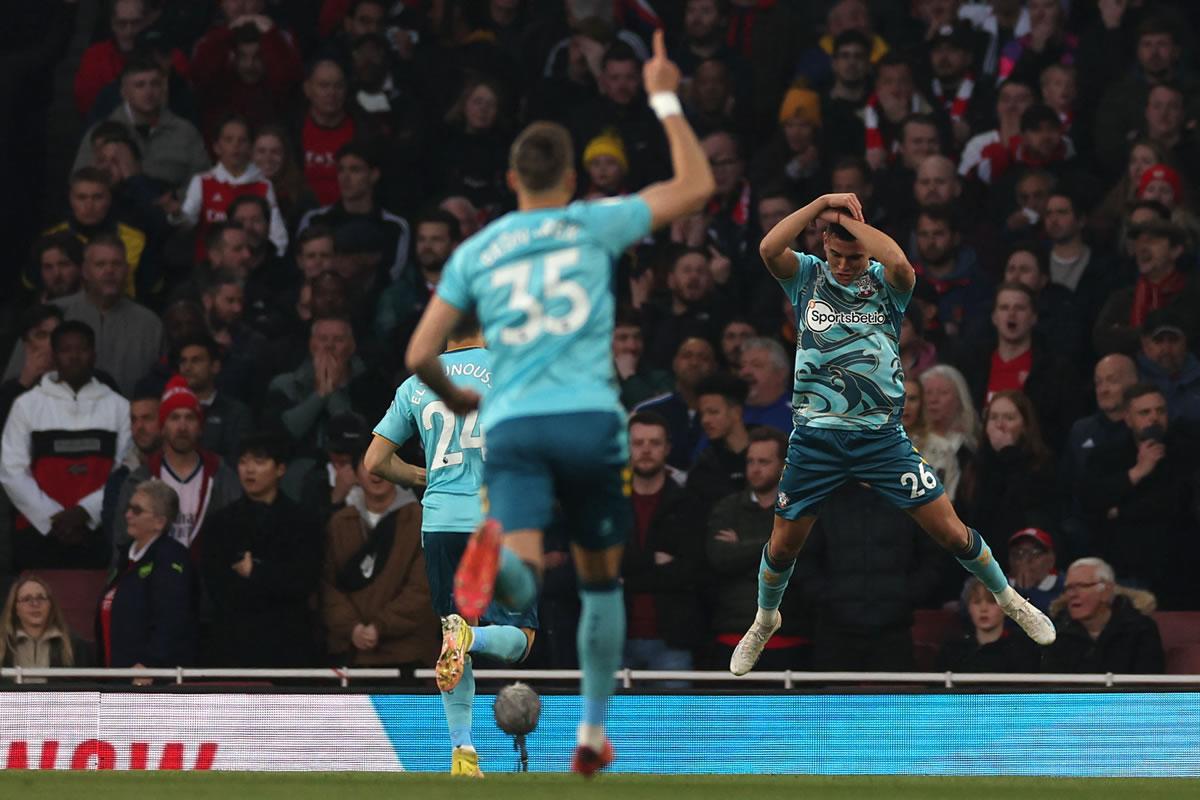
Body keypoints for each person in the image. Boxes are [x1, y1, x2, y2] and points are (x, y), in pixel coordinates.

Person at [403, 32, 715, 774]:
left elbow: (419, 355)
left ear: (511, 177)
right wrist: (664, 91)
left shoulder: (476, 251)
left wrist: (456, 398)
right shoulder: (593, 221)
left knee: (520, 575)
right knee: (601, 578)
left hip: (511, 426)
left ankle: (497, 564)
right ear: (572, 176)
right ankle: (591, 733)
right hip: (588, 422)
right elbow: (696, 186)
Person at [728, 190, 1056, 680]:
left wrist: (854, 224)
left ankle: (1011, 600)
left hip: (881, 438)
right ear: (823, 246)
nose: (843, 265)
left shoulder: (886, 284)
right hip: (817, 439)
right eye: (836, 255)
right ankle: (765, 618)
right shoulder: (807, 276)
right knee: (782, 548)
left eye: (853, 256)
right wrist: (821, 205)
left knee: (950, 531)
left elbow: (901, 261)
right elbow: (768, 248)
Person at [366, 318, 534, 777]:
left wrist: (424, 478)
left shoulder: (417, 382)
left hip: (439, 522)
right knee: (521, 639)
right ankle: (472, 638)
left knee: (450, 636)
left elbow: (376, 461)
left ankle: (462, 754)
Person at [1, 322, 130, 570]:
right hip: (38, 533)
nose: (74, 356)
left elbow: (125, 468)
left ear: (94, 354)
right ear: (54, 355)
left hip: (99, 532)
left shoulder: (118, 406)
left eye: (81, 349)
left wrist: (86, 512)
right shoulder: (26, 405)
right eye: (65, 349)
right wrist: (52, 518)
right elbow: (11, 469)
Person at [201, 433, 322, 667]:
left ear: (280, 469)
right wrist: (271, 578)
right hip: (234, 645)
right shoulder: (221, 523)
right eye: (244, 462)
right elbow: (216, 583)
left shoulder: (303, 521)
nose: (249, 470)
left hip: (288, 646)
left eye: (259, 461)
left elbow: (303, 581)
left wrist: (255, 573)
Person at [321, 454, 440, 671]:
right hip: (351, 653)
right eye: (367, 464)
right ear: (355, 473)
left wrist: (379, 627)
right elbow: (327, 586)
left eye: (385, 463)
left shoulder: (422, 521)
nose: (376, 472)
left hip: (408, 655)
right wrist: (352, 628)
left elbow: (423, 589)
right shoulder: (339, 523)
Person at [706, 428, 809, 669]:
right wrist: (775, 544)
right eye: (750, 461)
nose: (754, 468)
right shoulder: (728, 508)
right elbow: (719, 558)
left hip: (790, 636)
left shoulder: (799, 511)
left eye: (763, 461)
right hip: (732, 632)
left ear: (784, 465)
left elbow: (805, 560)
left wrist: (741, 546)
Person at [111, 376, 241, 563]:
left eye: (190, 417)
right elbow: (122, 545)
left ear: (200, 427)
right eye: (174, 418)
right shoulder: (139, 480)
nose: (182, 427)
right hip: (154, 583)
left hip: (207, 585)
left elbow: (236, 536)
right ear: (162, 428)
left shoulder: (221, 476)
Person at [622, 413, 705, 678]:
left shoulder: (689, 504)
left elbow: (691, 571)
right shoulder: (610, 505)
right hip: (615, 638)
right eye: (638, 442)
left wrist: (629, 572)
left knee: (672, 720)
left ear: (668, 448)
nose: (646, 449)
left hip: (673, 640)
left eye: (654, 443)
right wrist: (651, 561)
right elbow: (604, 566)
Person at [99, 479, 197, 673]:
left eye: (137, 510)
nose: (127, 515)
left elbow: (172, 619)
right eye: (129, 508)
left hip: (149, 681)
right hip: (116, 674)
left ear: (159, 522)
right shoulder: (126, 557)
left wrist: (151, 664)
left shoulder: (171, 558)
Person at [52, 236, 163, 397]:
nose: (109, 271)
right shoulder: (56, 314)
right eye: (100, 264)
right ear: (85, 271)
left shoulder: (150, 324)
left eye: (116, 264)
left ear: (127, 270)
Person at [1043, 558, 1165, 674]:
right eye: (1069, 588)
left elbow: (1147, 686)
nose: (1072, 594)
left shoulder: (1141, 630)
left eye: (1082, 586)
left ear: (1106, 591)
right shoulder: (1057, 633)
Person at [176, 336, 253, 465]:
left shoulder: (236, 413)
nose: (187, 367)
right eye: (183, 361)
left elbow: (238, 463)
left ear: (215, 367)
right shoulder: (169, 411)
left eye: (196, 360)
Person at [937, 578, 1040, 673]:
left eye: (992, 602)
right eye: (977, 602)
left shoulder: (1022, 649)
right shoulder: (953, 649)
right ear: (968, 607)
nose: (983, 609)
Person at [0, 575, 91, 679]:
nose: (35, 604)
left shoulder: (75, 646)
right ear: (15, 608)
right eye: (26, 599)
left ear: (50, 605)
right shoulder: (3, 643)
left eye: (41, 598)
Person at [688, 374, 751, 511]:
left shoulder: (771, 452)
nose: (705, 420)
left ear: (736, 412)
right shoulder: (704, 466)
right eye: (702, 414)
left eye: (713, 412)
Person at [1006, 527, 1064, 614]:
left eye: (1035, 552)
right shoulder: (998, 585)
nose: (1026, 559)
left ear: (1051, 559)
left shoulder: (1065, 586)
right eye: (1019, 553)